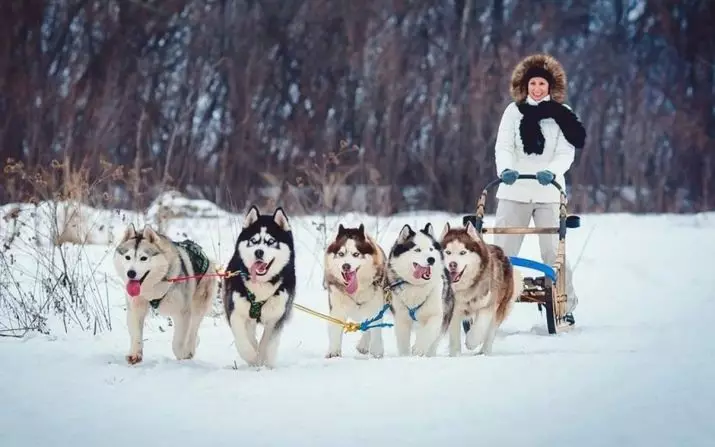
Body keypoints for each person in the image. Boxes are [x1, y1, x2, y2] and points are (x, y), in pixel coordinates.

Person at [492, 53, 586, 325]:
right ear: (525, 85)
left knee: (553, 253)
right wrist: (505, 170)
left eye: (542, 85)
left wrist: (552, 172)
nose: (536, 89)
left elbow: (566, 152)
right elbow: (504, 146)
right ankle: (489, 304)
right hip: (514, 191)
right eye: (532, 84)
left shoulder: (562, 115)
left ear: (550, 87)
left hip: (548, 192)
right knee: (503, 253)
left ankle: (564, 305)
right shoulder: (513, 111)